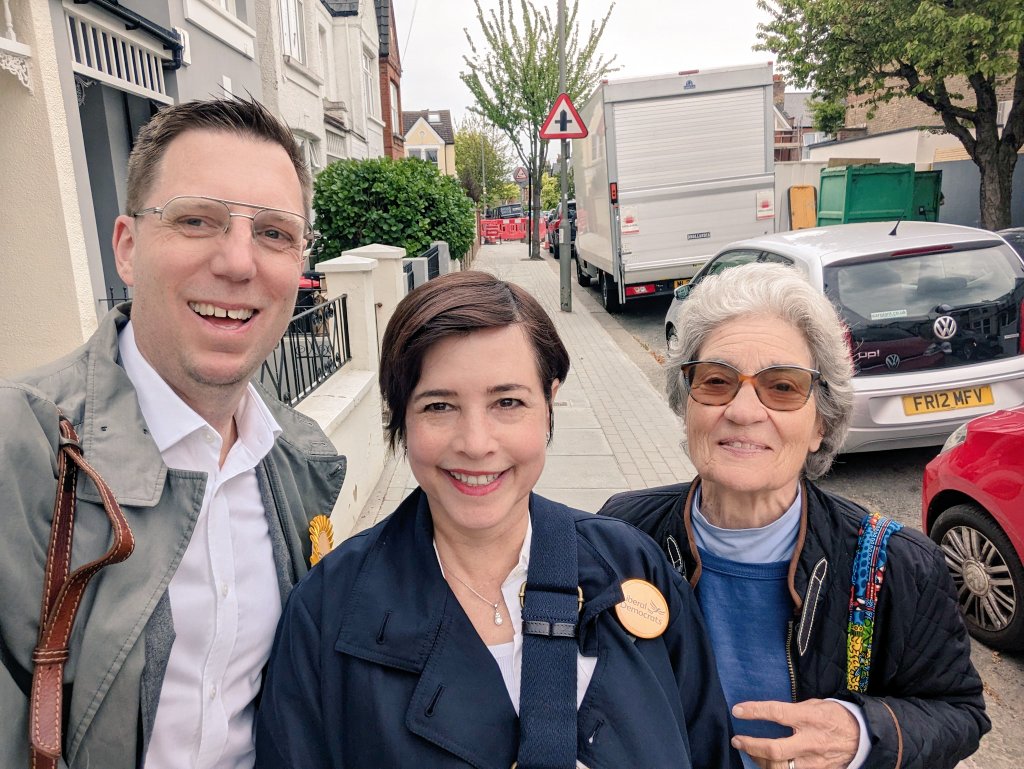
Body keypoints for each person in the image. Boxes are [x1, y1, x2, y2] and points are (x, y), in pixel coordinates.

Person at [254, 271, 740, 769]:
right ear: (400, 417)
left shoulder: (633, 568)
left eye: (507, 402)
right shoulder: (326, 615)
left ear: (549, 402)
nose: (476, 442)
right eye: (439, 406)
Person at [0, 98, 346, 769]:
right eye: (196, 220)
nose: (239, 262)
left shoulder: (301, 460)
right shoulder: (22, 447)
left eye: (274, 233)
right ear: (128, 248)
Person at [599, 262, 989, 769]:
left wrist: (860, 733)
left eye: (782, 387)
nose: (742, 411)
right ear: (686, 402)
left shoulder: (897, 566)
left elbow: (959, 713)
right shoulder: (620, 534)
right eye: (717, 381)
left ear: (821, 424)